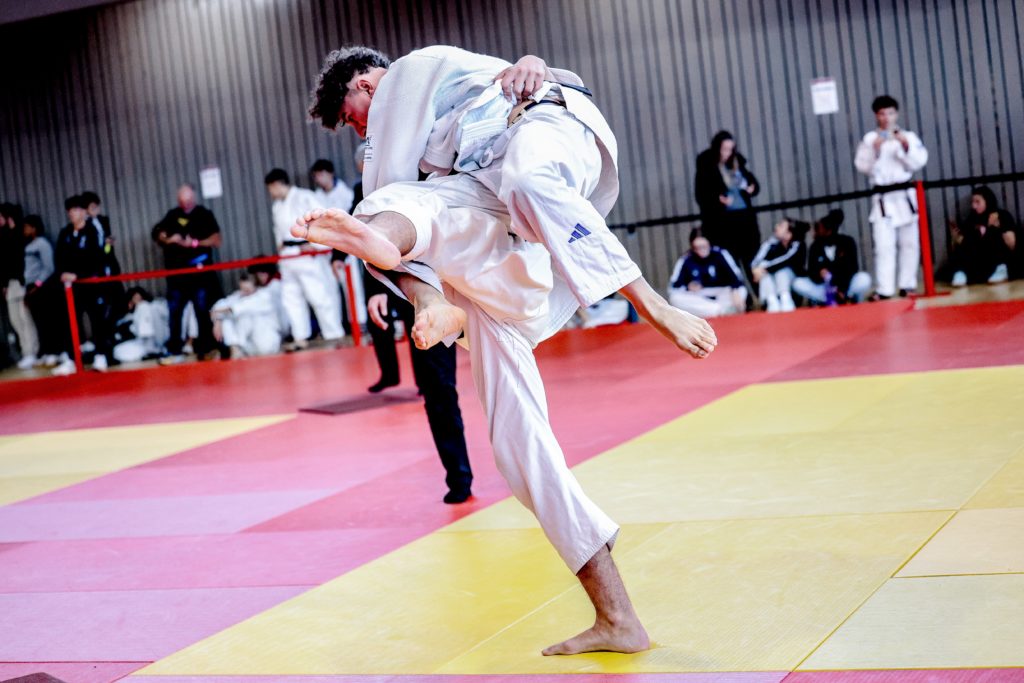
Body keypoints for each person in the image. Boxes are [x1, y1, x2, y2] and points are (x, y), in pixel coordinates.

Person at [303, 44, 717, 656]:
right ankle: (618, 617)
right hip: (503, 231)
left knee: (523, 177)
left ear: (366, 84)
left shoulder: (420, 71)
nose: (361, 131)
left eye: (352, 116)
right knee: (517, 447)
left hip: (546, 133)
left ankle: (650, 300)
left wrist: (532, 63)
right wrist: (387, 261)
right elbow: (405, 201)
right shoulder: (423, 148)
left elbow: (534, 73)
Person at [854, 95, 928, 299]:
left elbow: (919, 161)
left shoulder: (908, 137)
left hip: (905, 194)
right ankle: (884, 289)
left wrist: (905, 146)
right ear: (876, 116)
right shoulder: (870, 139)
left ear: (897, 114)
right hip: (883, 197)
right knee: (884, 245)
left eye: (890, 113)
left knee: (910, 243)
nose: (886, 117)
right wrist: (876, 150)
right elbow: (862, 166)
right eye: (882, 113)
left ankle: (908, 284)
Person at [264, 168, 344, 350]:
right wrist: (280, 246)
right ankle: (300, 337)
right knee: (291, 297)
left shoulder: (304, 197)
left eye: (270, 188)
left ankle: (333, 334)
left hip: (306, 253)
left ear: (277, 184)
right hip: (287, 255)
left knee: (318, 295)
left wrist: (315, 245)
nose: (270, 192)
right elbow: (278, 231)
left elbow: (322, 220)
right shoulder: (277, 206)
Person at [151, 184, 223, 363]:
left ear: (194, 198)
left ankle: (205, 348)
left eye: (188, 200)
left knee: (202, 310)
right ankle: (175, 349)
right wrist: (169, 239)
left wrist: (194, 243)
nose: (185, 203)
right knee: (175, 312)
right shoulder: (172, 215)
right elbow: (158, 234)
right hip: (177, 275)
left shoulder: (204, 214)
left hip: (199, 273)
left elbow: (216, 240)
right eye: (182, 200)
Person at [53, 195, 114, 374]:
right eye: (69, 211)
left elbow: (96, 258)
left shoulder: (92, 231)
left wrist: (78, 274)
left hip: (90, 284)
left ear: (83, 212)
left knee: (97, 320)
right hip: (71, 288)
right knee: (71, 322)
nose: (72, 214)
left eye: (75, 210)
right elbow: (59, 257)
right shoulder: (65, 233)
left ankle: (101, 356)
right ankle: (72, 359)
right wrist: (63, 273)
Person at [694, 130, 762, 278]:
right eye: (725, 149)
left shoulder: (737, 163)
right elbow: (701, 194)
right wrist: (717, 199)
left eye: (730, 149)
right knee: (729, 260)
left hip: (744, 218)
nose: (727, 153)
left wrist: (752, 188)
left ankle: (753, 289)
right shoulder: (707, 166)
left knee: (750, 257)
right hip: (723, 222)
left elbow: (752, 182)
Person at [792, 209, 872, 305]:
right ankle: (827, 300)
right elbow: (811, 271)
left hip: (845, 285)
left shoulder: (847, 242)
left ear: (828, 230)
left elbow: (852, 268)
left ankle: (848, 297)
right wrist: (819, 274)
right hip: (824, 288)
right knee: (798, 283)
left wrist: (840, 287)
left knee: (864, 278)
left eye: (818, 228)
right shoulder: (815, 246)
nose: (814, 232)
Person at [945, 186, 1019, 286]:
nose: (974, 206)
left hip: (997, 258)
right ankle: (960, 273)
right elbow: (966, 245)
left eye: (977, 202)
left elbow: (1012, 244)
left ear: (987, 201)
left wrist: (999, 227)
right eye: (972, 202)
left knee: (994, 236)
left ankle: (1001, 269)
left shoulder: (1002, 215)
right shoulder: (971, 219)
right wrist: (956, 238)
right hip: (978, 261)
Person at [667, 228, 747, 318]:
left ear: (709, 243)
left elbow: (737, 277)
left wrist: (734, 290)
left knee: (741, 291)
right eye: (697, 248)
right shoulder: (686, 259)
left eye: (704, 247)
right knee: (675, 298)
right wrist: (688, 286)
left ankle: (719, 311)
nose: (701, 250)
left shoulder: (720, 254)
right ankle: (719, 311)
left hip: (721, 292)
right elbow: (673, 287)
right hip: (699, 296)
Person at [1, 202, 39, 369]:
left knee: (25, 317)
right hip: (10, 284)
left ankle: (32, 352)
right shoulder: (3, 235)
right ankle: (25, 351)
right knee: (15, 319)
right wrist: (4, 284)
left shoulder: (20, 235)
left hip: (22, 281)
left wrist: (27, 282)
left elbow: (24, 261)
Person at [211, 273, 284, 358]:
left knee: (245, 316)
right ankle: (235, 350)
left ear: (255, 286)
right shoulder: (239, 295)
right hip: (248, 347)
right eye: (242, 289)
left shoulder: (264, 296)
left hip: (267, 346)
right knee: (225, 320)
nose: (244, 292)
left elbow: (233, 309)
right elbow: (218, 306)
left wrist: (217, 313)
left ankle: (237, 348)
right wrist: (217, 321)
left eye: (247, 290)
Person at [20, 215, 58, 366]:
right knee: (38, 321)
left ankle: (53, 351)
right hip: (30, 287)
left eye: (27, 227)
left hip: (42, 288)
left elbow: (49, 267)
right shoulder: (28, 245)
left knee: (47, 320)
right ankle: (45, 351)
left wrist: (38, 284)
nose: (24, 230)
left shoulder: (42, 244)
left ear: (34, 228)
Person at [750, 218, 808, 313]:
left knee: (782, 271)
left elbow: (786, 259)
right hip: (772, 283)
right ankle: (772, 300)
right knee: (763, 267)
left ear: (789, 233)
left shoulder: (797, 244)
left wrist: (765, 268)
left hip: (793, 284)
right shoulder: (771, 243)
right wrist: (757, 270)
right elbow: (756, 262)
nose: (776, 226)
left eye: (781, 225)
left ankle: (785, 298)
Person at [112, 286, 170, 363]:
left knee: (143, 307)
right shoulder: (129, 316)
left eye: (140, 298)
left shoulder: (149, 306)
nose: (138, 301)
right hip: (140, 344)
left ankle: (152, 350)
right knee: (118, 351)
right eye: (135, 298)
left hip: (154, 341)